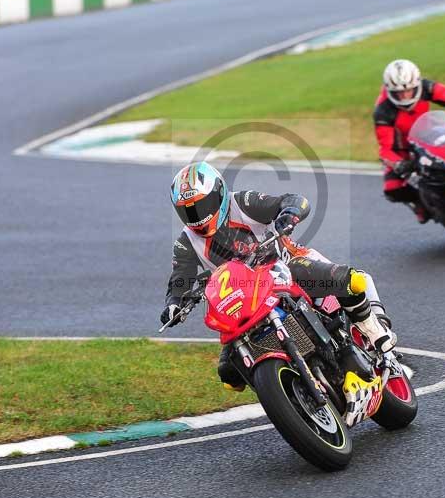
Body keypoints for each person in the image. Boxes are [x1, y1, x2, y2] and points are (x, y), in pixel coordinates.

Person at [160, 161, 396, 390]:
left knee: (351, 280)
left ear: (219, 193)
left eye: (201, 205)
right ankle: (289, 389)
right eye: (187, 210)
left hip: (287, 266)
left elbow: (294, 201)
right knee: (229, 375)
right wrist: (173, 304)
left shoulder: (242, 202)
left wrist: (289, 214)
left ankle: (376, 332)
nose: (196, 216)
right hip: (245, 295)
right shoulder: (186, 242)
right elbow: (180, 277)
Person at [374, 59, 445, 222]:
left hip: (430, 131)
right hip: (403, 148)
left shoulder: (426, 86)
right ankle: (420, 204)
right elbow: (385, 149)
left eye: (409, 91)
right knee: (392, 188)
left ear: (416, 84)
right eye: (398, 93)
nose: (404, 96)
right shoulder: (383, 111)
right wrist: (398, 163)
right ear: (389, 91)